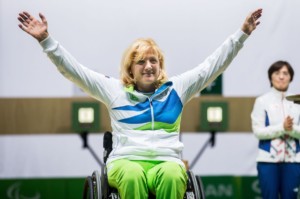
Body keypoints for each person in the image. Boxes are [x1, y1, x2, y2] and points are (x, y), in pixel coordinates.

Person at [18, 8, 262, 199]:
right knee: (133, 176)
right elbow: (75, 71)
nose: (148, 66)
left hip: (166, 161)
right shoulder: (115, 91)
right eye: (141, 61)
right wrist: (46, 41)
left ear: (160, 65)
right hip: (126, 161)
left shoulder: (176, 89)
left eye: (153, 60)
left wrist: (241, 34)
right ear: (130, 70)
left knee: (172, 175)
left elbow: (212, 66)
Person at [251, 60, 300, 199]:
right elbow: (258, 132)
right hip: (268, 161)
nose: (281, 77)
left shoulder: (298, 101)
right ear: (270, 76)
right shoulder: (262, 101)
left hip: (294, 161)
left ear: (291, 77)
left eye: (285, 73)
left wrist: (291, 129)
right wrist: (282, 128)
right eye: (277, 73)